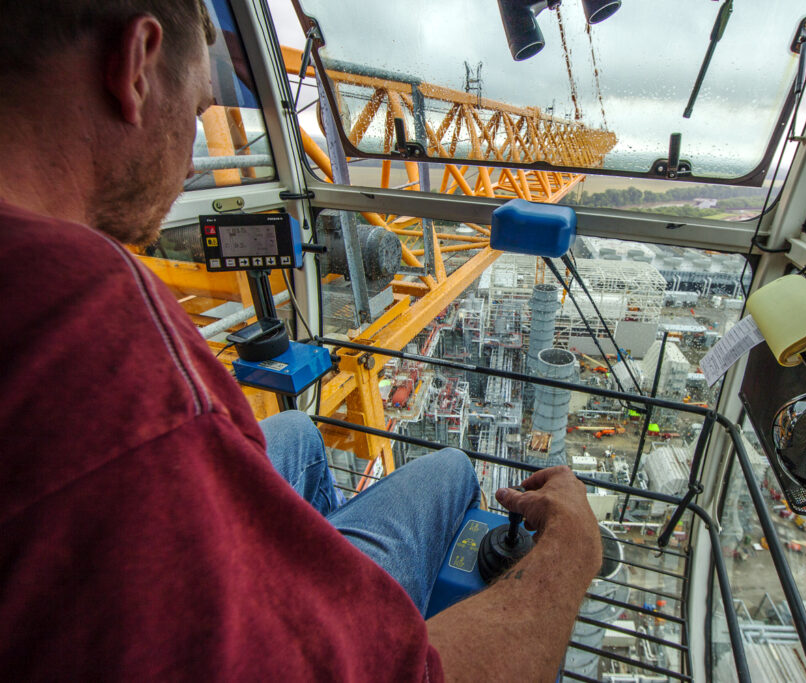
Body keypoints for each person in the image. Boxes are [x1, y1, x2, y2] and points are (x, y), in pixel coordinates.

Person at [0, 1, 603, 680]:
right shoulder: (92, 307)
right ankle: (331, 587)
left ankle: (309, 557)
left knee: (299, 432)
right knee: (452, 467)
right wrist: (568, 558)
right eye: (201, 114)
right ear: (134, 64)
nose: (191, 154)